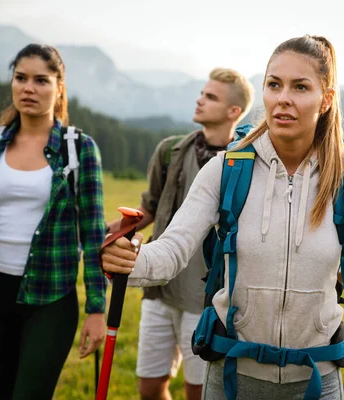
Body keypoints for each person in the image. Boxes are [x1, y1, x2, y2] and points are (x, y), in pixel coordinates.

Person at [101, 35, 344, 400]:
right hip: (232, 378)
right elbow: (171, 252)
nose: (283, 97)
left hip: (317, 380)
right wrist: (131, 259)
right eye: (274, 84)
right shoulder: (226, 170)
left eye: (300, 87)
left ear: (326, 99)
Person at [0, 44, 107, 400]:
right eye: (21, 78)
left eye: (41, 80)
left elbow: (93, 235)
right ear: (12, 82)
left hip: (50, 299)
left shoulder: (78, 149)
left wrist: (97, 309)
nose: (28, 88)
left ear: (59, 87)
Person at [106, 67, 254, 400]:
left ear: (234, 112)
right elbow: (151, 206)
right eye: (202, 93)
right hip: (160, 290)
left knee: (198, 391)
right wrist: (102, 235)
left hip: (206, 298)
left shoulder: (246, 163)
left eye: (210, 97)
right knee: (149, 387)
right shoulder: (171, 151)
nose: (200, 100)